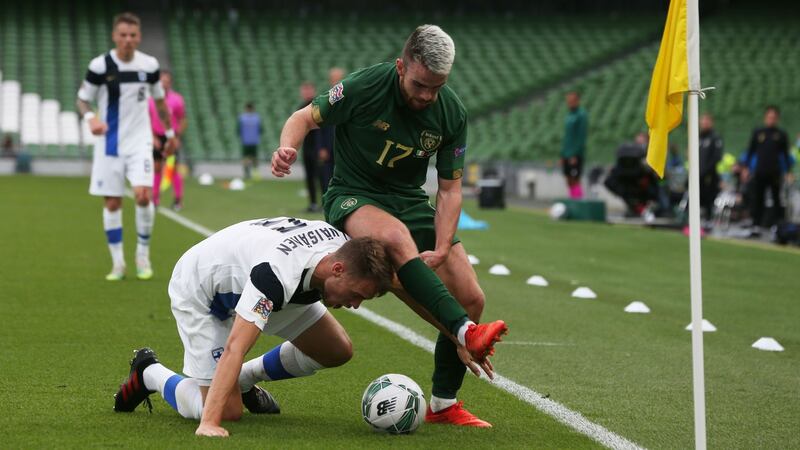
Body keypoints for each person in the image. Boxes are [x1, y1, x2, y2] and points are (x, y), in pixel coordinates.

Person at [271, 25, 508, 427]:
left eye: (436, 87)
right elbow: (304, 117)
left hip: (410, 200)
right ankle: (466, 333)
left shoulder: (451, 112)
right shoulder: (364, 86)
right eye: (420, 85)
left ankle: (444, 404)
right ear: (401, 67)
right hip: (353, 195)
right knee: (397, 240)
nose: (427, 96)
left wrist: (445, 245)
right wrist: (287, 146)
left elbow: (449, 191)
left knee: (471, 295)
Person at [112, 217, 396, 438]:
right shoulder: (276, 276)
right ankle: (148, 372)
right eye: (357, 294)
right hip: (203, 290)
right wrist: (209, 423)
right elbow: (236, 346)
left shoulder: (344, 249)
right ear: (337, 270)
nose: (356, 304)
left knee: (337, 350)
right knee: (229, 410)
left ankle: (244, 380)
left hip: (264, 282)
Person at [76, 12, 177, 281]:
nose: (128, 40)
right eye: (123, 35)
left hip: (139, 142)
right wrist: (91, 117)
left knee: (143, 195)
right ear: (114, 36)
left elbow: (159, 103)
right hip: (108, 143)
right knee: (112, 203)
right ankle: (118, 263)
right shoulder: (100, 65)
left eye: (133, 35)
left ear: (139, 37)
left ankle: (142, 254)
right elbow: (82, 100)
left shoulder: (150, 65)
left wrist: (169, 133)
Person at [742, 105, 792, 235]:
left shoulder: (781, 135)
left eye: (774, 117)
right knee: (758, 199)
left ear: (777, 119)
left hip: (775, 173)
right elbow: (751, 151)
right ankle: (756, 225)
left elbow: (786, 155)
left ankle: (778, 227)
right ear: (766, 117)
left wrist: (788, 171)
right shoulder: (758, 132)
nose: (771, 119)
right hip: (760, 171)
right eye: (769, 117)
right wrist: (746, 168)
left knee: (776, 199)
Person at [148, 70, 187, 210]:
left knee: (173, 169)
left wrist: (176, 138)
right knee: (157, 168)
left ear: (170, 83)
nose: (164, 84)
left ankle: (178, 200)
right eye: (161, 81)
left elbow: (182, 119)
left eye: (166, 81)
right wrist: (152, 137)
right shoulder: (151, 100)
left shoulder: (177, 99)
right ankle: (155, 199)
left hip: (171, 138)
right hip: (157, 137)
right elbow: (148, 119)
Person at [316, 67, 346, 193]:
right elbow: (318, 126)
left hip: (344, 148)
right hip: (328, 147)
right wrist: (321, 147)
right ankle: (326, 201)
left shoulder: (350, 100)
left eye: (339, 80)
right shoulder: (325, 100)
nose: (336, 82)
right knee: (326, 176)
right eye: (334, 80)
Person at [298, 82, 323, 212]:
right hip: (307, 148)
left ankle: (325, 204)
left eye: (309, 90)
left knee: (322, 176)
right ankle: (313, 203)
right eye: (304, 90)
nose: (306, 92)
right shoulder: (301, 107)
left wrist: (322, 148)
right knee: (309, 177)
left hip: (318, 148)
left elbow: (321, 129)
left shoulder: (317, 105)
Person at [560, 91, 588, 199]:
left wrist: (575, 154)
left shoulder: (581, 115)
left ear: (577, 101)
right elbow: (567, 137)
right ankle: (573, 197)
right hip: (566, 153)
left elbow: (581, 136)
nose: (569, 103)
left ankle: (577, 199)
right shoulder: (569, 115)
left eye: (572, 101)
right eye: (568, 101)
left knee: (575, 177)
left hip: (575, 154)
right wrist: (562, 154)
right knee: (568, 177)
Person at [698, 113, 723, 219]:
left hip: (710, 175)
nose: (704, 124)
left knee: (709, 197)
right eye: (703, 121)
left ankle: (708, 219)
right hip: (698, 174)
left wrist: (705, 171)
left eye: (707, 121)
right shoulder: (698, 137)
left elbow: (717, 157)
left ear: (711, 123)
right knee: (698, 197)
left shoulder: (715, 138)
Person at [238, 102, 262, 180]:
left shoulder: (242, 118)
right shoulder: (256, 118)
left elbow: (238, 130)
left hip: (248, 141)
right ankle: (251, 174)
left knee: (249, 158)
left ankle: (250, 174)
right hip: (251, 141)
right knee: (251, 158)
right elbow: (261, 130)